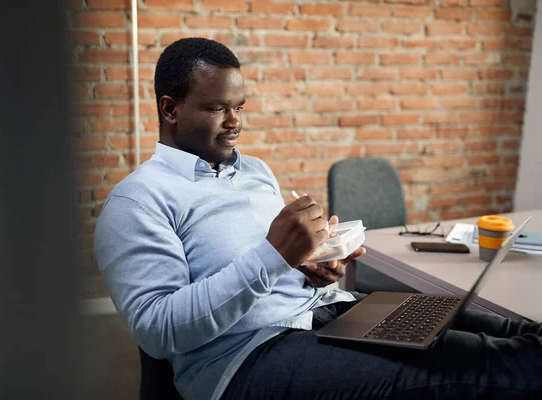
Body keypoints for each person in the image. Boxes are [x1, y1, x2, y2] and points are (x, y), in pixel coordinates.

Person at [94, 38, 542, 400]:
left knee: (506, 332)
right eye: (216, 109)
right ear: (170, 109)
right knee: (490, 369)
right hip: (248, 356)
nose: (235, 123)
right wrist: (274, 256)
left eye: (240, 106)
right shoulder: (137, 202)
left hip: (330, 311)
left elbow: (279, 267)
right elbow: (159, 331)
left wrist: (315, 266)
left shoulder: (254, 171)